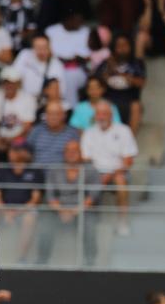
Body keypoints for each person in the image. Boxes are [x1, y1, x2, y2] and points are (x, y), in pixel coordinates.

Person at [38, 139, 100, 265]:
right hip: (58, 209)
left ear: (81, 153)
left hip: (82, 209)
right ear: (63, 153)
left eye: (74, 150)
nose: (71, 153)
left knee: (89, 226)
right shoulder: (55, 170)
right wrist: (62, 210)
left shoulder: (91, 170)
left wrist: (74, 211)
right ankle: (42, 260)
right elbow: (50, 195)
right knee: (44, 226)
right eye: (68, 150)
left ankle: (90, 261)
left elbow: (93, 196)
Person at [81, 102, 137, 236]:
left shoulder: (124, 130)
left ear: (111, 115)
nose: (101, 117)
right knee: (87, 179)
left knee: (121, 182)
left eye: (104, 113)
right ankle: (89, 223)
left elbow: (129, 160)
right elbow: (85, 159)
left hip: (117, 172)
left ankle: (122, 222)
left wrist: (110, 175)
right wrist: (97, 176)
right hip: (94, 172)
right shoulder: (88, 132)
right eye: (99, 114)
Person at [95, 34, 146, 133]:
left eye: (125, 45)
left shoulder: (137, 63)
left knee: (137, 107)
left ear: (130, 47)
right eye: (119, 46)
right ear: (114, 48)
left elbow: (141, 83)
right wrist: (108, 71)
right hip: (109, 98)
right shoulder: (106, 63)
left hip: (130, 99)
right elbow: (96, 81)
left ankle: (129, 141)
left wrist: (120, 73)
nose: (122, 49)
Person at [12, 35, 65, 101]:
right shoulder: (24, 55)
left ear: (50, 48)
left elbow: (58, 92)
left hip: (44, 102)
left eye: (44, 47)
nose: (41, 51)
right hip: (23, 100)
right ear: (32, 48)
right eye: (38, 47)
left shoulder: (56, 64)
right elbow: (13, 76)